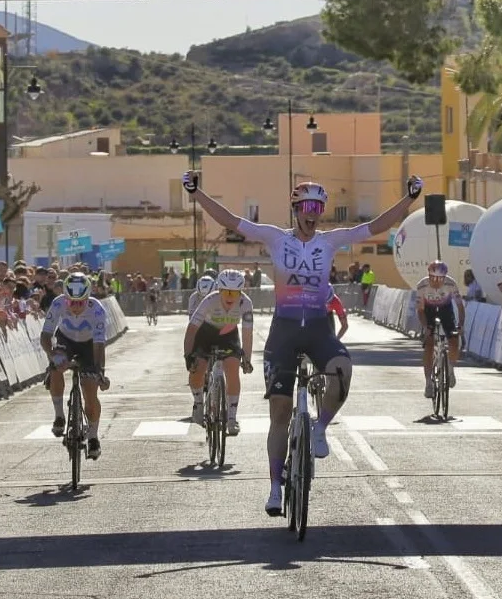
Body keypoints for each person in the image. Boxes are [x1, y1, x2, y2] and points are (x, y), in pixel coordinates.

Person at [184, 170, 423, 517]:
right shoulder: (275, 238)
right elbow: (231, 220)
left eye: (318, 206)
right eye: (307, 205)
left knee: (342, 369)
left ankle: (321, 426)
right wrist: (196, 193)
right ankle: (275, 488)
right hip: (283, 331)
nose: (313, 212)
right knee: (279, 413)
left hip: (316, 328)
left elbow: (375, 226)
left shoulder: (330, 241)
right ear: (296, 209)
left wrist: (410, 199)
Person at [40, 271, 111, 461]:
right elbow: (45, 336)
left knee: (90, 389)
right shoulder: (58, 303)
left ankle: (94, 437)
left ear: (87, 298)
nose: (76, 307)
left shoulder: (97, 310)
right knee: (57, 367)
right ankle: (59, 416)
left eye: (80, 302)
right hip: (66, 341)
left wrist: (99, 371)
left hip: (89, 346)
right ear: (66, 298)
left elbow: (99, 345)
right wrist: (52, 355)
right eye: (72, 302)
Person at [183, 268, 254, 435]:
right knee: (197, 368)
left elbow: (247, 333)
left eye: (235, 293)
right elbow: (192, 329)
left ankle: (231, 418)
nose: (230, 297)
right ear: (219, 290)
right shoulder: (209, 300)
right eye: (226, 292)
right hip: (205, 334)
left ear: (241, 292)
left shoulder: (246, 303)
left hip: (228, 335)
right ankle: (199, 403)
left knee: (232, 369)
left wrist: (247, 359)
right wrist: (188, 355)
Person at [414, 260, 465, 400]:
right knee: (429, 344)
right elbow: (420, 310)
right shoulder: (422, 285)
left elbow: (460, 306)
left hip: (445, 310)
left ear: (444, 277)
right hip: (428, 311)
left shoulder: (450, 283)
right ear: (429, 276)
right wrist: (426, 328)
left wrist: (460, 325)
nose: (436, 281)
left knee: (454, 340)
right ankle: (428, 383)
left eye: (440, 278)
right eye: (433, 277)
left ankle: (450, 367)